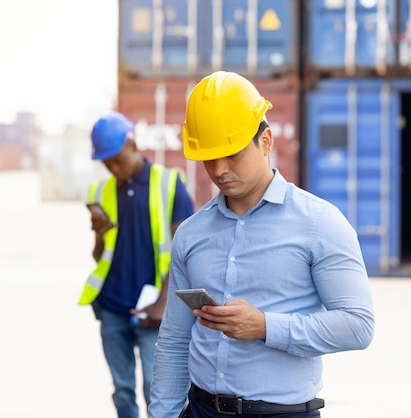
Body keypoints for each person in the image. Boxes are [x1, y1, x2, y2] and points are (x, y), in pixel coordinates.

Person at [148, 71, 375, 418]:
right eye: (209, 157)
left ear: (265, 141)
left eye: (232, 154)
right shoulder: (191, 234)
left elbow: (358, 325)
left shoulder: (319, 223)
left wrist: (265, 326)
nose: (220, 169)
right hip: (200, 410)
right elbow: (175, 340)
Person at [78, 111, 195, 418]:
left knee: (158, 391)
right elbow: (99, 256)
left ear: (132, 143)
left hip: (153, 310)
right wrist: (100, 235)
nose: (113, 168)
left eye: (117, 159)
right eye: (106, 163)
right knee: (122, 390)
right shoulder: (101, 192)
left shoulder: (169, 184)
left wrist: (164, 302)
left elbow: (186, 253)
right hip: (113, 307)